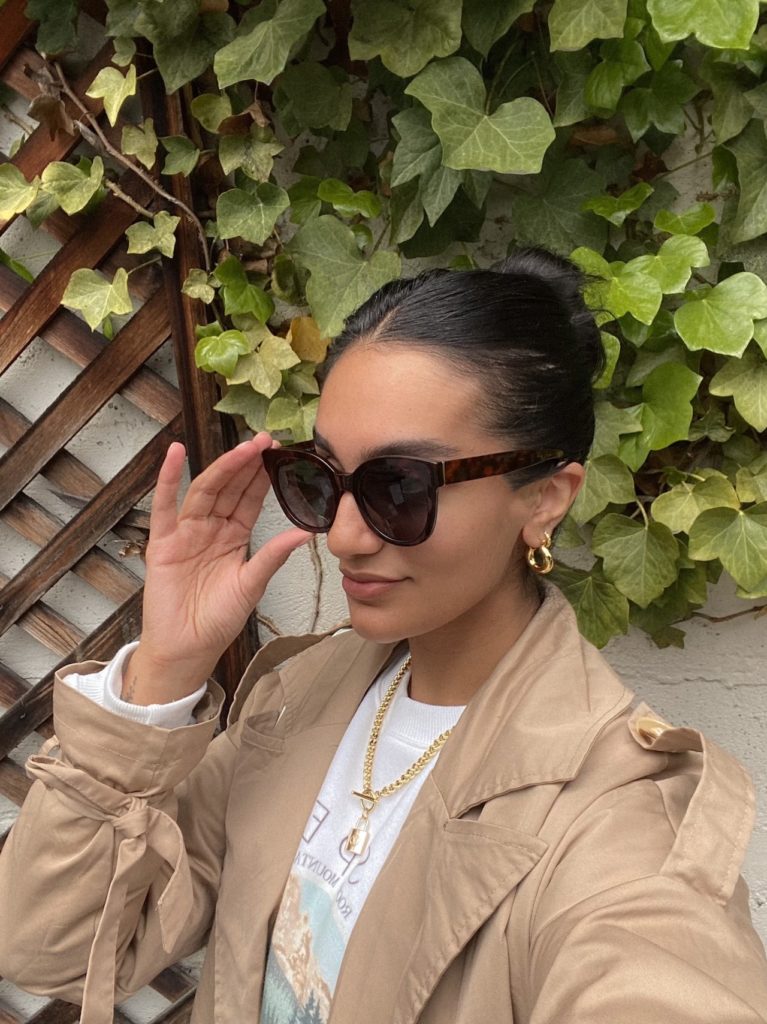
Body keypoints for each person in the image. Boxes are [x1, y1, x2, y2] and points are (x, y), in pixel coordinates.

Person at [1, 249, 766, 1024]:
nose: (341, 536)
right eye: (321, 478)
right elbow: (54, 949)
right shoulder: (298, 698)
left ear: (541, 498)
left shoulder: (617, 818)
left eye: (398, 487)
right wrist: (163, 670)